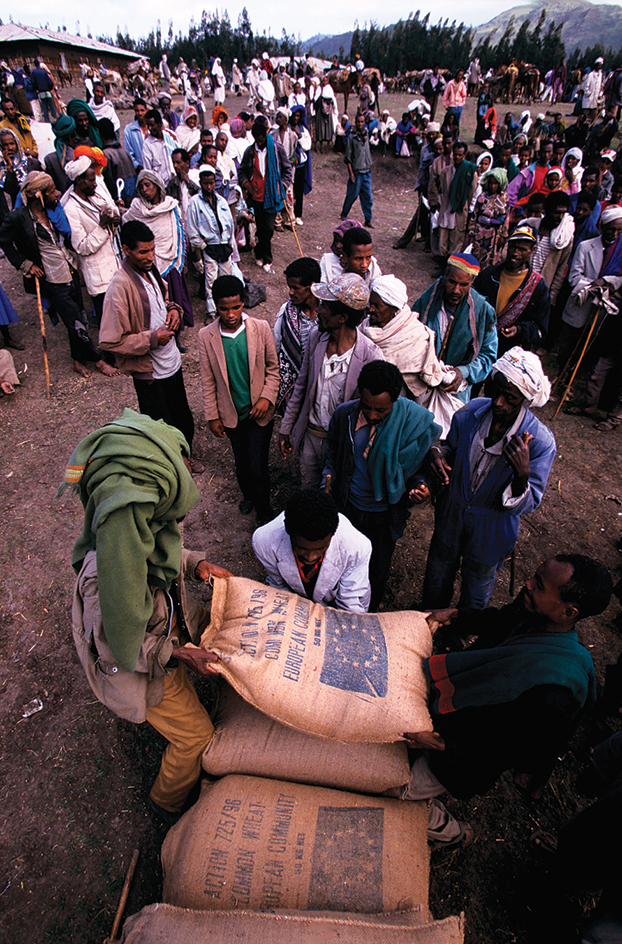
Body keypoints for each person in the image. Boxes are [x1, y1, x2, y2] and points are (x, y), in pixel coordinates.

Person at [62, 410, 231, 825]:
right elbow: (118, 645)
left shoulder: (136, 523)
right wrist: (177, 654)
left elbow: (162, 552)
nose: (175, 520)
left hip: (162, 642)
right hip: (140, 669)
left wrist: (195, 565)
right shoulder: (110, 577)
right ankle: (165, 804)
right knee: (195, 737)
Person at [403, 554, 612, 848]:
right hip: (452, 716)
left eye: (539, 585)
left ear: (569, 613)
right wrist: (458, 615)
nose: (526, 584)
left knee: (402, 789)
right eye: (534, 576)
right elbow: (500, 620)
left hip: (464, 750)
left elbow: (503, 748)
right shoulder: (532, 610)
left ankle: (449, 834)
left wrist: (443, 746)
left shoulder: (552, 693)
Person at [420, 347, 556, 611]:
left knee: (477, 586)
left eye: (510, 398)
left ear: (524, 400)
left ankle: (463, 631)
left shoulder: (540, 442)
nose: (498, 403)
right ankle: (428, 621)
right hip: (452, 513)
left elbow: (530, 501)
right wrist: (438, 453)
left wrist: (522, 476)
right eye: (495, 391)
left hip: (492, 529)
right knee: (438, 573)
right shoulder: (470, 413)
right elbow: (452, 448)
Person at [325, 359, 441, 610]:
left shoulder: (412, 422)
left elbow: (418, 466)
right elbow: (333, 454)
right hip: (348, 508)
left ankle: (368, 612)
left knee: (376, 569)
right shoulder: (345, 415)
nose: (373, 415)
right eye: (367, 408)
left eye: (381, 411)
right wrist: (328, 477)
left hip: (385, 514)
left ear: (395, 401)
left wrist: (420, 485)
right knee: (343, 562)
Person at [99, 220, 199, 467]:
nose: (150, 256)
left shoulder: (150, 269)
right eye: (143, 251)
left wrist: (173, 309)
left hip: (171, 363)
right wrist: (152, 339)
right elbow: (110, 341)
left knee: (182, 415)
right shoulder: (119, 287)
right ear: (126, 249)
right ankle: (174, 465)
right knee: (160, 423)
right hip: (150, 372)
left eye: (152, 249)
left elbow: (162, 299)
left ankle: (186, 454)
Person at [0, 170, 116, 378]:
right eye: (52, 191)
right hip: (51, 278)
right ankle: (97, 360)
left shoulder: (55, 211)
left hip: (70, 271)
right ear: (38, 195)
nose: (57, 194)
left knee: (78, 315)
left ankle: (76, 359)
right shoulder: (19, 218)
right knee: (75, 321)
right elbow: (4, 242)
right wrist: (26, 265)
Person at [279, 273, 383, 489]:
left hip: (342, 443)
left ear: (342, 318)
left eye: (324, 307)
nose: (318, 310)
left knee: (334, 492)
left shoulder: (370, 355)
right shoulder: (316, 339)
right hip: (311, 435)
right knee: (308, 488)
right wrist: (286, 427)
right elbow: (301, 385)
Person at [198, 274, 279, 523]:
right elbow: (208, 380)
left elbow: (273, 369)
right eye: (224, 309)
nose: (231, 314)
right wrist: (213, 416)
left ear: (244, 303)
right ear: (216, 306)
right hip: (232, 415)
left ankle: (264, 508)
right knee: (241, 462)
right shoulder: (206, 336)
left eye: (236, 307)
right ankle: (249, 496)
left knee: (257, 464)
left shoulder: (261, 327)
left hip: (259, 413)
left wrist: (266, 398)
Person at [252, 489, 372, 613]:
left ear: (332, 535)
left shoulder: (356, 547)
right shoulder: (264, 541)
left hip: (335, 604)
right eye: (302, 548)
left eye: (321, 548)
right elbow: (279, 589)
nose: (311, 557)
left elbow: (350, 607)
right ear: (289, 535)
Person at [411, 253, 498, 403]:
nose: (456, 290)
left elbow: (488, 356)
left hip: (455, 391)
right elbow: (410, 332)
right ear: (445, 276)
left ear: (472, 282)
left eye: (463, 285)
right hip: (421, 382)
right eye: (452, 282)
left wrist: (463, 372)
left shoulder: (482, 311)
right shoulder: (429, 301)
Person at [559, 205, 622, 402]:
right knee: (568, 346)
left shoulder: (620, 250)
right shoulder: (586, 246)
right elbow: (574, 277)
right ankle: (562, 381)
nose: (615, 233)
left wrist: (607, 282)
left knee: (586, 349)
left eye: (619, 230)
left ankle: (571, 380)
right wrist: (593, 285)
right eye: (611, 228)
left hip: (602, 310)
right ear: (602, 226)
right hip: (580, 305)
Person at [124, 170, 193, 336]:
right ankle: (155, 333)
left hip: (168, 260)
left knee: (172, 299)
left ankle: (176, 336)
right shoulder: (136, 208)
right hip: (146, 265)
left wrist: (180, 258)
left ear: (158, 186)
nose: (144, 190)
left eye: (147, 185)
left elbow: (179, 232)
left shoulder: (170, 206)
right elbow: (127, 226)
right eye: (141, 187)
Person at [360, 274, 445, 400]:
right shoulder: (364, 328)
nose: (370, 309)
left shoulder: (416, 336)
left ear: (394, 308)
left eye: (377, 306)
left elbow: (419, 389)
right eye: (371, 303)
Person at [473, 223, 551, 354]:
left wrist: (519, 330)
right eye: (513, 247)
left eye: (522, 249)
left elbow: (540, 329)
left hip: (511, 351)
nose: (515, 253)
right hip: (480, 343)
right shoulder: (489, 274)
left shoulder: (537, 286)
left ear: (532, 250)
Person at [62, 156, 120, 327]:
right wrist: (103, 226)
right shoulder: (71, 209)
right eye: (91, 180)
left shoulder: (94, 197)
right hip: (99, 278)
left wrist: (114, 222)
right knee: (108, 322)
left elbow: (109, 217)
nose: (95, 184)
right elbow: (81, 247)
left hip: (113, 268)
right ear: (79, 181)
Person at [237, 119, 293, 271]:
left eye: (261, 139)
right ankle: (259, 253)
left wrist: (283, 184)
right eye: (257, 140)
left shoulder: (276, 149)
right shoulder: (249, 151)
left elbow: (288, 170)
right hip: (256, 197)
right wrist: (246, 184)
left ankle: (266, 257)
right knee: (261, 228)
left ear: (265, 135)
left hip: (272, 196)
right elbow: (241, 172)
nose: (260, 143)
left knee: (268, 228)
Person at [186, 166, 234, 321]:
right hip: (209, 247)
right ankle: (211, 312)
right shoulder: (195, 202)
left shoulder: (221, 201)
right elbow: (192, 230)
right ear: (200, 183)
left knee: (226, 279)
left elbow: (230, 225)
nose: (208, 186)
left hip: (224, 246)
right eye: (205, 183)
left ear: (215, 182)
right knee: (211, 281)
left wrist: (229, 245)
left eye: (211, 183)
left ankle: (226, 310)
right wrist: (202, 247)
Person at [273, 256, 321, 412]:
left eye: (295, 288)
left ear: (312, 286)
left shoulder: (328, 315)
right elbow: (276, 346)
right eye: (289, 287)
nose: (290, 292)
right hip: (294, 391)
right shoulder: (286, 313)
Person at [429, 141, 478, 266]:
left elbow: (471, 193)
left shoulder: (470, 172)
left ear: (465, 155)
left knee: (456, 240)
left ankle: (451, 266)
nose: (457, 157)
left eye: (460, 155)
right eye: (455, 155)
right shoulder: (446, 171)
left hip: (460, 210)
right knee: (443, 238)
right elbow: (443, 189)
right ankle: (442, 265)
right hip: (446, 208)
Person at [524, 191, 575, 306]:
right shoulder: (531, 225)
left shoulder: (564, 238)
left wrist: (551, 298)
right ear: (547, 210)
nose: (560, 217)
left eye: (563, 213)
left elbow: (560, 271)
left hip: (540, 289)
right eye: (557, 213)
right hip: (521, 281)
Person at [467, 168, 509, 268]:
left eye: (495, 183)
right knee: (477, 258)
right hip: (480, 233)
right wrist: (471, 234)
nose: (492, 186)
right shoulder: (482, 197)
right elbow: (474, 216)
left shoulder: (504, 198)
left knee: (492, 260)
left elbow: (506, 218)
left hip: (495, 234)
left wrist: (503, 235)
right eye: (491, 183)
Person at [340, 113, 373, 227]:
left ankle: (368, 220)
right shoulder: (351, 137)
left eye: (362, 122)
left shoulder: (366, 134)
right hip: (357, 171)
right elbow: (348, 157)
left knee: (368, 197)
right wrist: (351, 173)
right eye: (358, 122)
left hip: (366, 170)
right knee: (352, 195)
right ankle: (344, 213)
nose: (360, 124)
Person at [0, 128, 42, 213]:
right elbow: (11, 190)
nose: (10, 148)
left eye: (12, 144)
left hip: (37, 209)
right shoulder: (2, 169)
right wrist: (9, 166)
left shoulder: (32, 163)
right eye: (5, 145)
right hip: (18, 214)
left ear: (17, 144)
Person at [100, 118, 137, 206]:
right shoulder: (124, 151)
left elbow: (109, 182)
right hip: (132, 198)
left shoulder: (106, 155)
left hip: (119, 200)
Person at [289, 105, 312, 225]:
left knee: (299, 190)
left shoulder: (303, 130)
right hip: (289, 164)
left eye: (298, 116)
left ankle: (298, 214)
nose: (296, 118)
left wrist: (299, 134)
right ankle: (289, 214)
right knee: (289, 190)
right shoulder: (286, 129)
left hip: (300, 164)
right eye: (294, 115)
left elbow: (307, 146)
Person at [142, 109, 178, 187]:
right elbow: (148, 171)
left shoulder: (170, 137)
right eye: (148, 125)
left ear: (159, 124)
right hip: (160, 186)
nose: (150, 128)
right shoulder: (147, 144)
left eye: (152, 125)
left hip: (176, 183)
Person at [123, 99, 149, 172]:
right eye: (137, 111)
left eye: (142, 110)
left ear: (146, 110)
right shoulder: (129, 129)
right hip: (139, 169)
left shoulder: (152, 127)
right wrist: (137, 165)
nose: (140, 113)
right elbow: (128, 152)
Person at [582, 58, 604, 123]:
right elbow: (586, 86)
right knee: (585, 114)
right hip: (589, 98)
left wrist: (599, 94)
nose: (599, 67)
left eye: (600, 65)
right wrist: (588, 93)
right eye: (598, 65)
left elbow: (600, 86)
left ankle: (592, 127)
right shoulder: (590, 75)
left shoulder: (600, 75)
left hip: (595, 99)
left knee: (594, 114)